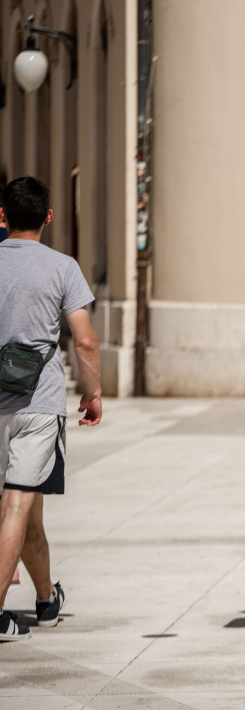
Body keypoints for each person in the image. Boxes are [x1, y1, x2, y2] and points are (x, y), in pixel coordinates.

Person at [0, 176, 103, 642]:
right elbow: (85, 339)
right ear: (48, 216)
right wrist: (92, 393)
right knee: (17, 506)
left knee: (29, 514)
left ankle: (45, 600)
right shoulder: (63, 267)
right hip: (38, 405)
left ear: (2, 216)